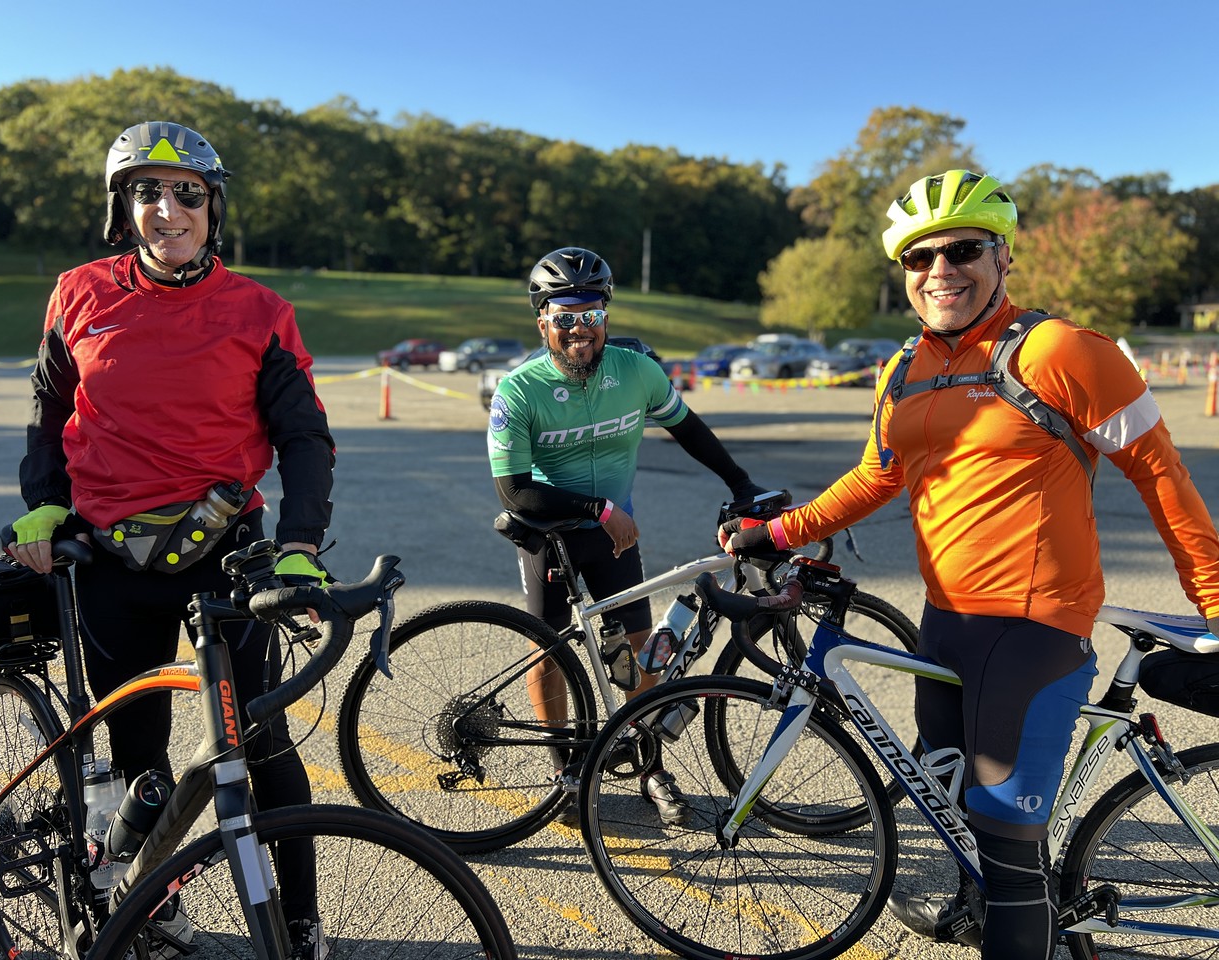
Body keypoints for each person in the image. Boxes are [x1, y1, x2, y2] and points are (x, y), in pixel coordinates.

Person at [718, 170, 1219, 959]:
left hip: (1033, 632)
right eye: (920, 257)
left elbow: (1162, 475)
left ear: (1003, 257)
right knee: (949, 802)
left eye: (962, 250)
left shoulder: (1059, 351)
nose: (940, 270)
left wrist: (1217, 602)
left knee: (1012, 856)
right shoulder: (904, 370)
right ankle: (973, 906)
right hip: (945, 626)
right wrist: (779, 533)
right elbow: (876, 477)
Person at [5, 120, 334, 959]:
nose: (168, 208)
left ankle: (301, 924)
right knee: (141, 759)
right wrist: (42, 505)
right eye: (147, 192)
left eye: (188, 193)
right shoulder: (77, 293)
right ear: (124, 209)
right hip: (109, 552)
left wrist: (299, 544)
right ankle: (157, 903)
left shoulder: (260, 312)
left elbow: (305, 439)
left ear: (212, 209)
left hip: (227, 549)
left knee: (259, 743)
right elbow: (47, 415)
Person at [488, 246, 766, 825]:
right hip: (547, 533)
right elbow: (515, 491)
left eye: (589, 315)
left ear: (606, 317)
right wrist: (598, 505)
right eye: (564, 316)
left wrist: (742, 483)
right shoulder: (518, 390)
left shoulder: (637, 371)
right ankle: (565, 767)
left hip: (614, 534)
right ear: (542, 320)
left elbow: (690, 431)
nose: (578, 330)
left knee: (637, 650)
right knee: (551, 647)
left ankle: (648, 764)